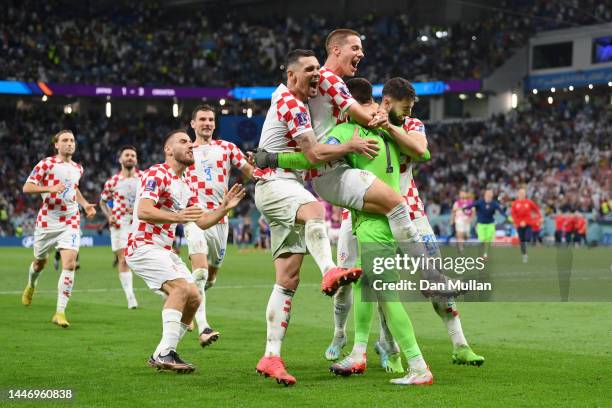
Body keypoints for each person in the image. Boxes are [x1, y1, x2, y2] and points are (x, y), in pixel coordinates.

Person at [326, 78, 483, 377]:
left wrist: (390, 127)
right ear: (385, 102)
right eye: (405, 107)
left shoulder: (410, 124)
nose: (408, 112)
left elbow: (422, 151)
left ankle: (459, 343)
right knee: (370, 281)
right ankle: (381, 345)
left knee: (434, 279)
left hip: (411, 211)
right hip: (366, 211)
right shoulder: (357, 124)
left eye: (410, 108)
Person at [253, 30, 426, 289]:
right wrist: (381, 119)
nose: (361, 54)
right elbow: (357, 123)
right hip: (330, 172)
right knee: (396, 205)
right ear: (336, 50)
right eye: (355, 48)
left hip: (332, 171)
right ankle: (430, 279)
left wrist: (270, 157)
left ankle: (341, 328)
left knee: (307, 277)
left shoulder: (310, 88)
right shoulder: (329, 81)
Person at [253, 49, 367, 386]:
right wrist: (350, 146)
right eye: (308, 69)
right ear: (291, 75)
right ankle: (330, 270)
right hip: (275, 183)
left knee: (287, 280)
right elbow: (314, 154)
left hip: (279, 185)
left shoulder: (297, 102)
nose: (316, 74)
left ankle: (271, 356)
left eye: (318, 68)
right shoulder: (290, 101)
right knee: (316, 210)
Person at [320, 78, 437, 385]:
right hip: (389, 221)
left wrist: (273, 158)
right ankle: (358, 352)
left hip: (374, 223)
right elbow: (422, 154)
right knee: (364, 286)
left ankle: (418, 365)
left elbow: (313, 156)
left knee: (386, 295)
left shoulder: (348, 131)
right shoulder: (391, 133)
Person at [125, 129, 245, 373]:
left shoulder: (186, 183)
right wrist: (177, 216)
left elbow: (201, 221)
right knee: (182, 289)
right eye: (183, 141)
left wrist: (223, 209)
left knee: (194, 298)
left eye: (191, 142)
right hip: (143, 245)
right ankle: (166, 353)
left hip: (163, 249)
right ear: (169, 150)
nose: (190, 145)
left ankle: (162, 352)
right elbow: (143, 210)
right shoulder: (157, 173)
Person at [184, 104, 255, 347]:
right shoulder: (185, 150)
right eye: (201, 119)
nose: (207, 123)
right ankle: (204, 327)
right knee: (201, 272)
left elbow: (249, 172)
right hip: (194, 216)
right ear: (192, 124)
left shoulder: (227, 148)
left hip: (220, 217)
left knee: (210, 277)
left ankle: (190, 301)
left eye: (210, 119)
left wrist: (255, 167)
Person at [21, 130, 96, 328]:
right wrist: (49, 189)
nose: (69, 143)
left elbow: (74, 189)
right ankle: (31, 285)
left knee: (70, 264)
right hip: (47, 220)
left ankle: (60, 312)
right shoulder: (46, 164)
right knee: (39, 263)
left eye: (72, 140)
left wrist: (85, 205)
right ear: (56, 144)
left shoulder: (78, 168)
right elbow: (27, 188)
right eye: (65, 140)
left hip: (70, 220)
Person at [99, 146, 141, 309]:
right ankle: (130, 297)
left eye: (133, 155)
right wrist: (109, 216)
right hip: (119, 223)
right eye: (127, 155)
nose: (130, 157)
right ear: (120, 159)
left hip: (139, 222)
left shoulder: (143, 178)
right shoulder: (113, 182)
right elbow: (102, 201)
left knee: (141, 258)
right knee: (123, 259)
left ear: (136, 160)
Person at [463, 189, 506, 260]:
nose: (489, 195)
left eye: (491, 193)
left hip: (490, 224)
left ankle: (485, 254)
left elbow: (501, 211)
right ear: (485, 194)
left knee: (488, 239)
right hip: (481, 224)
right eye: (488, 193)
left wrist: (507, 217)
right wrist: (464, 208)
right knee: (482, 240)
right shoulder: (480, 202)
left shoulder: (494, 203)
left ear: (492, 195)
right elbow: (471, 205)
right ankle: (484, 252)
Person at [510, 188, 540, 263]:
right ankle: (524, 255)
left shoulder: (529, 202)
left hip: (528, 223)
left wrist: (538, 218)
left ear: (525, 194)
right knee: (522, 240)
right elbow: (513, 214)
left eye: (523, 193)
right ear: (518, 194)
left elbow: (537, 210)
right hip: (519, 225)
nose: (522, 195)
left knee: (528, 238)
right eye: (520, 193)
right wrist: (518, 222)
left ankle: (528, 244)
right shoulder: (515, 203)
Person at [451, 190, 474, 255]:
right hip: (459, 220)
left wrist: (470, 219)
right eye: (461, 194)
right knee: (459, 233)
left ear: (466, 194)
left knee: (467, 236)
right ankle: (461, 249)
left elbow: (473, 211)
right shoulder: (457, 203)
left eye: (463, 193)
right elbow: (453, 211)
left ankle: (460, 240)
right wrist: (452, 219)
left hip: (466, 220)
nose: (462, 195)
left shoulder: (470, 202)